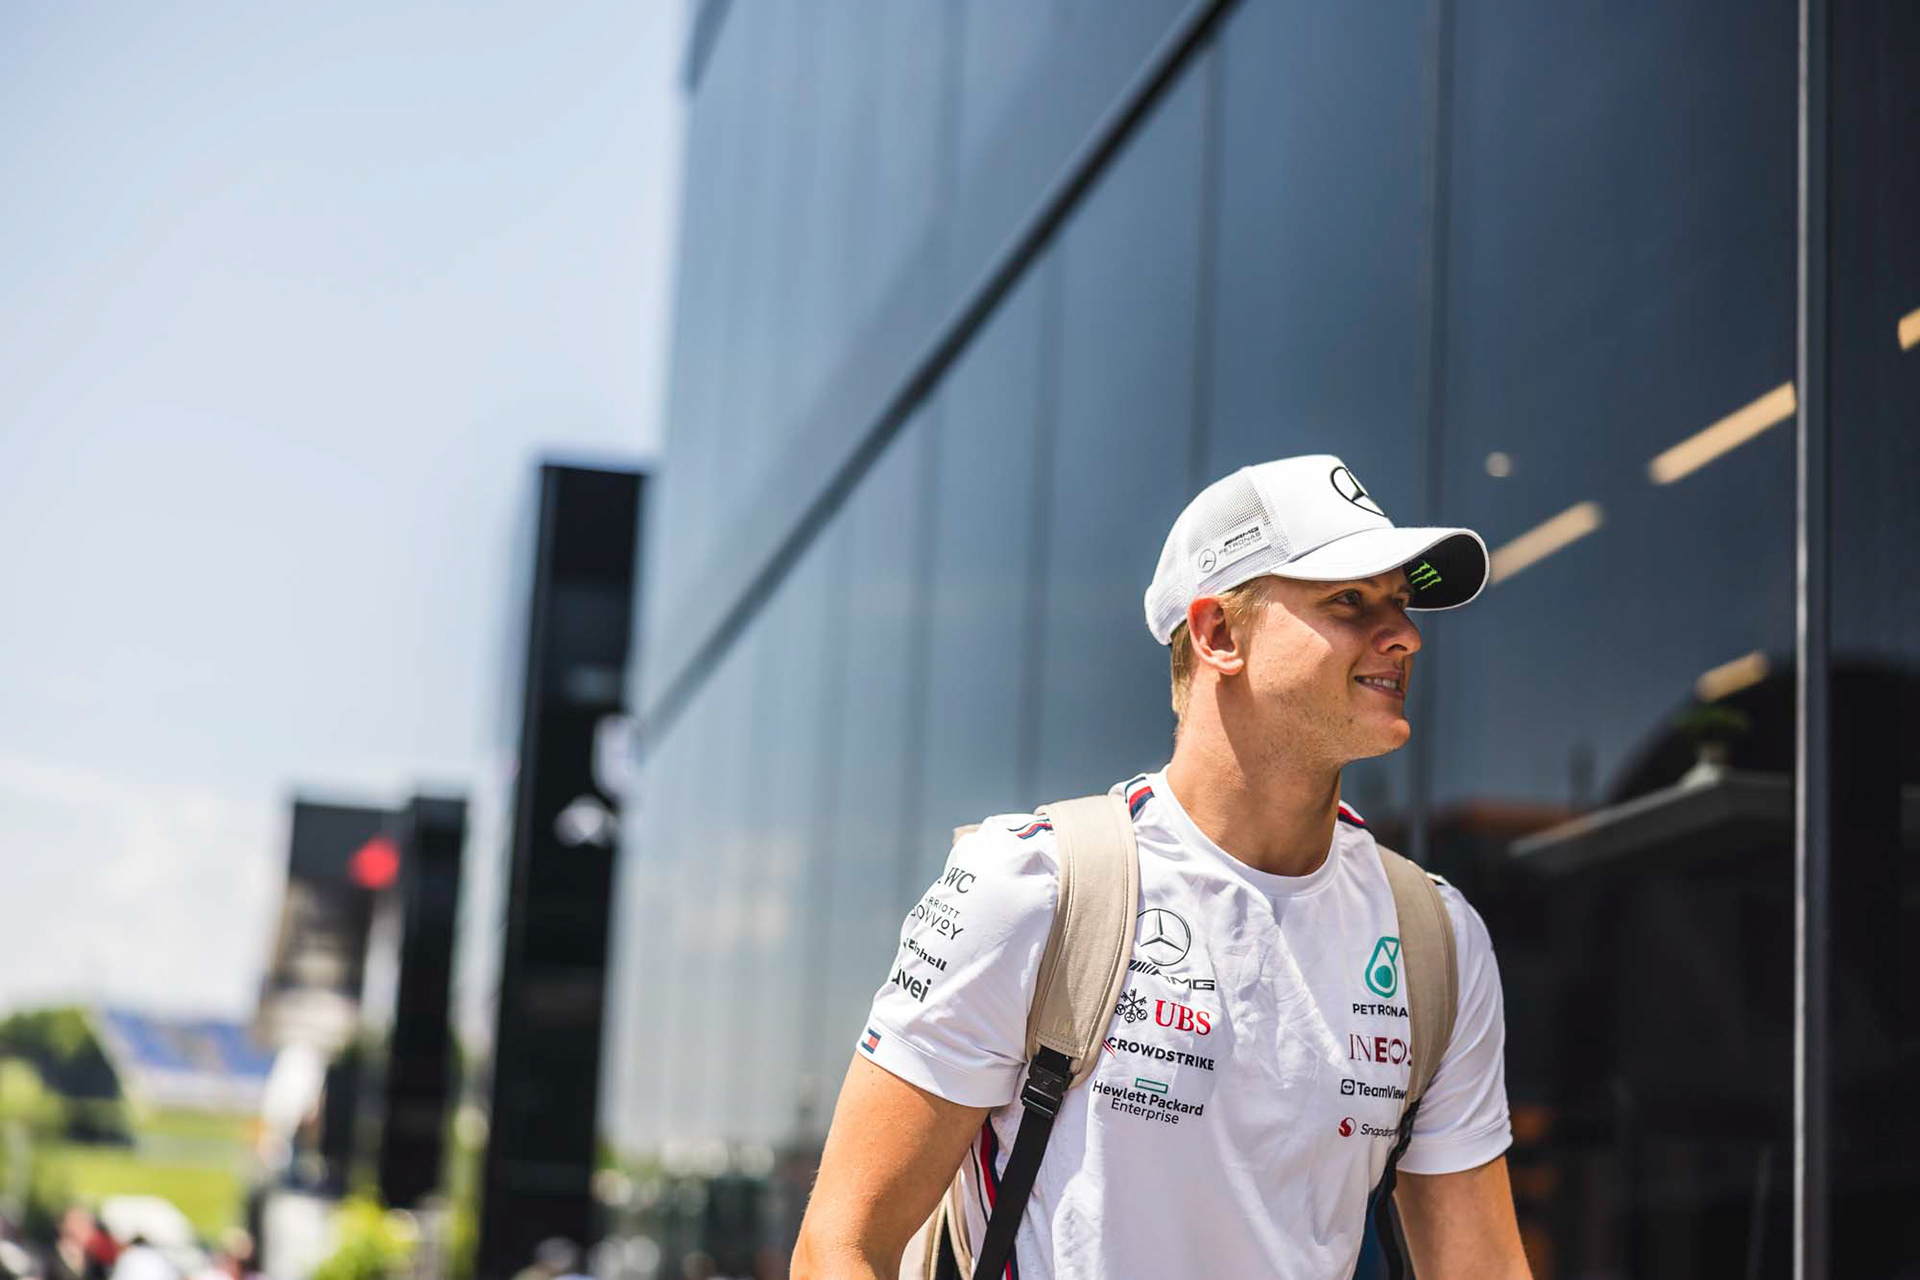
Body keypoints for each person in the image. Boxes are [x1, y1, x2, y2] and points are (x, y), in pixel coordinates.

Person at [792, 456, 1532, 1278]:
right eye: (1351, 600)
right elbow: (840, 1245)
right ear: (1218, 635)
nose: (1405, 634)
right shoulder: (1034, 887)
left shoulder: (1436, 936)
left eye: (1400, 602)